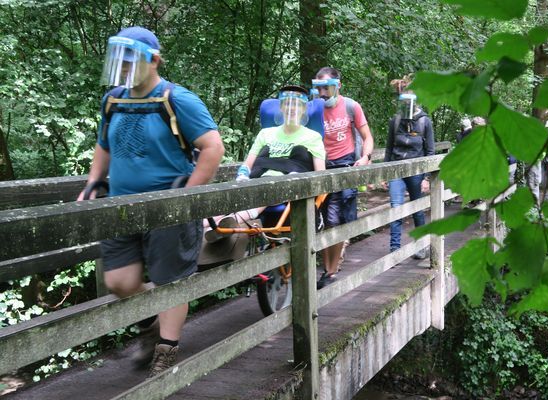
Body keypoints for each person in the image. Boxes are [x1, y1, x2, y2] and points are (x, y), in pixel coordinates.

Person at [78, 27, 224, 377]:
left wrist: (186, 197)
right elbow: (104, 144)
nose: (124, 66)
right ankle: (152, 323)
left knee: (169, 281)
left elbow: (213, 148)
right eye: (120, 59)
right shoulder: (113, 99)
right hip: (121, 205)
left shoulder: (178, 99)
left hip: (168, 205)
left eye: (131, 58)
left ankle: (166, 351)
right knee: (118, 282)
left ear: (153, 60)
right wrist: (93, 182)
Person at [203, 85, 325, 234]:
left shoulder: (313, 137)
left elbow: (321, 174)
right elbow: (248, 165)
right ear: (281, 107)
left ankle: (227, 224)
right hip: (257, 181)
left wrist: (299, 181)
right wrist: (242, 175)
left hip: (287, 186)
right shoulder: (265, 134)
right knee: (235, 193)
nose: (292, 108)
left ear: (304, 109)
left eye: (297, 105)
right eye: (287, 103)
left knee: (269, 188)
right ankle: (203, 226)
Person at [312, 67, 374, 289]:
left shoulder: (351, 106)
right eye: (319, 88)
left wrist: (365, 157)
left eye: (326, 87)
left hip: (345, 165)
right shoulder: (313, 109)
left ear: (338, 86)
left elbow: (367, 137)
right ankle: (329, 266)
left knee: (333, 220)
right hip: (320, 167)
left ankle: (329, 271)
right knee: (322, 222)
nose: (323, 93)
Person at [384, 77, 435, 259]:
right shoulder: (395, 121)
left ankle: (420, 246)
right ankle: (394, 250)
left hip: (416, 172)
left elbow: (430, 151)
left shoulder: (424, 122)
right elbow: (389, 148)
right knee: (395, 207)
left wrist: (427, 178)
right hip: (396, 171)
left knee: (417, 209)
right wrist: (384, 173)